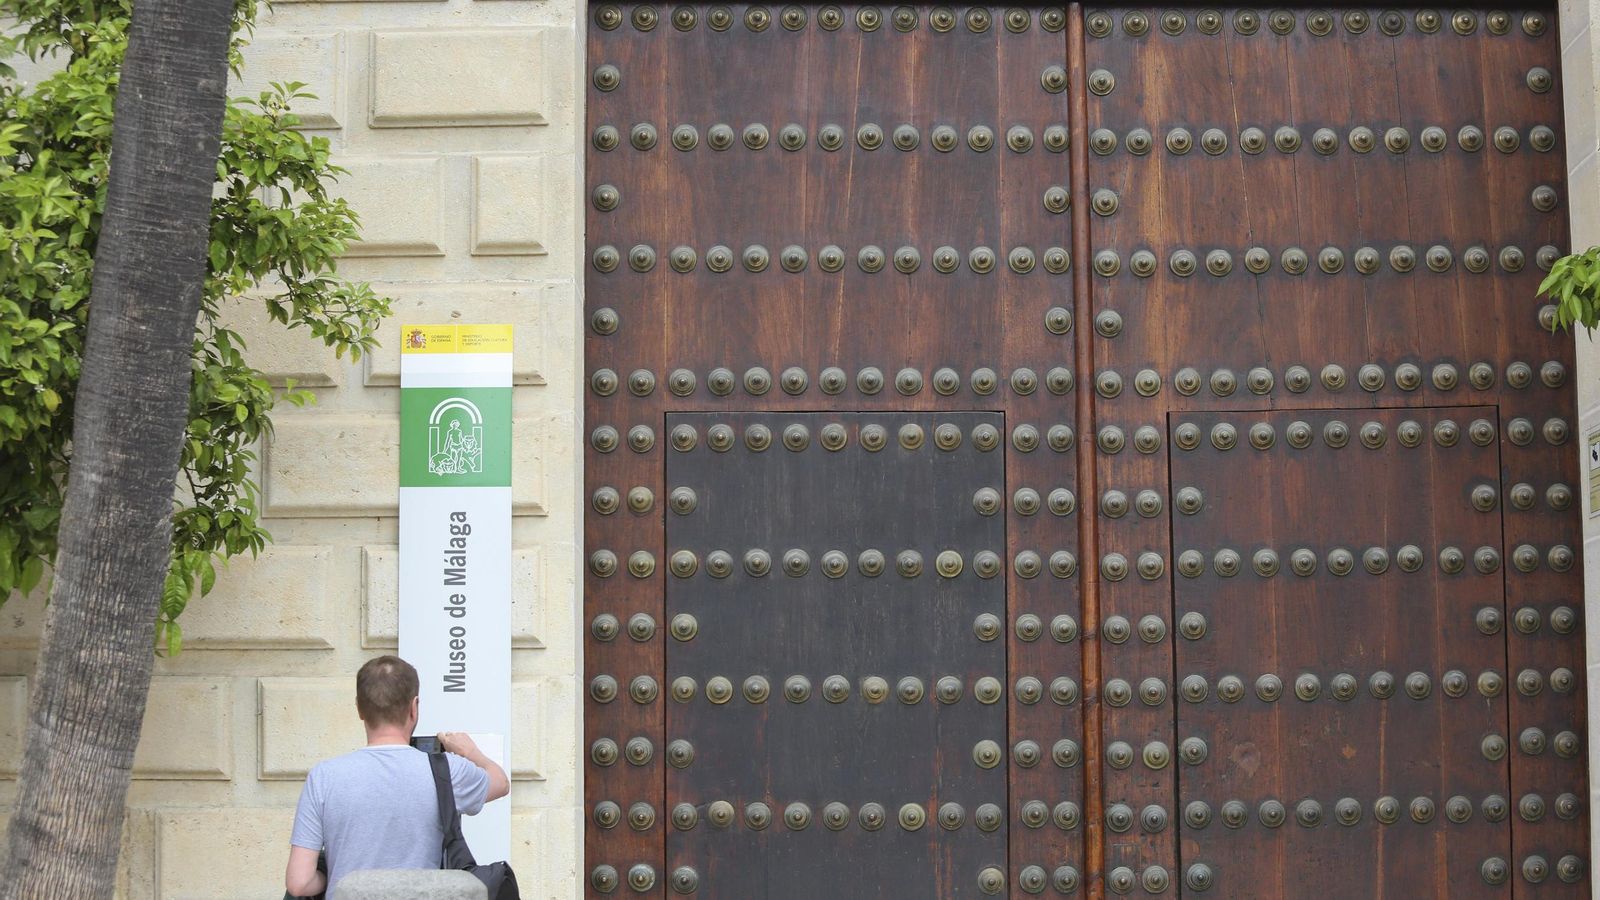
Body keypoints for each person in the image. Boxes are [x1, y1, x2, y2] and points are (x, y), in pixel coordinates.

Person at [284, 655, 509, 898]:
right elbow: (500, 782)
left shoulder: (323, 777)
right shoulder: (447, 771)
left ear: (359, 708)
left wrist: (337, 877)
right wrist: (471, 752)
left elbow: (300, 883)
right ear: (414, 708)